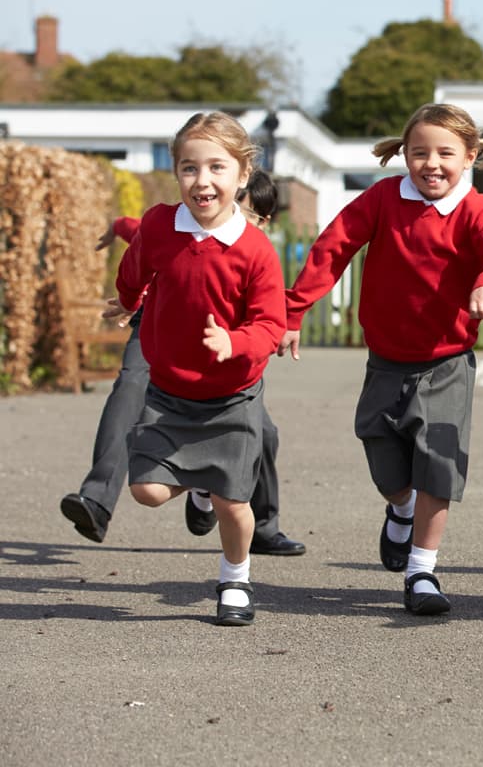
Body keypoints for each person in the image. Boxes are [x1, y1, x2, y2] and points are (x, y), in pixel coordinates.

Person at [277, 103, 483, 616]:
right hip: (387, 361)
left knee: (438, 465)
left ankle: (422, 572)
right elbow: (332, 248)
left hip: (447, 363)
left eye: (445, 153)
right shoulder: (384, 199)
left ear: (471, 157)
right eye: (419, 152)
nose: (431, 164)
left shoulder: (474, 210)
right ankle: (401, 510)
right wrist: (293, 310)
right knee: (388, 469)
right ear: (404, 155)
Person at [59, 170, 306, 557]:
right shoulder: (177, 225)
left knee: (265, 433)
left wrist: (269, 332)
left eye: (247, 213)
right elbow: (139, 232)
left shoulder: (253, 253)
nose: (230, 215)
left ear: (263, 220)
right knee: (129, 391)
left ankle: (258, 524)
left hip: (223, 346)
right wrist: (116, 229)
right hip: (162, 328)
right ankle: (97, 499)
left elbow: (270, 315)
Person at [107, 111, 286, 626]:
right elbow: (136, 265)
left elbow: (270, 323)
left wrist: (236, 341)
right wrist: (126, 299)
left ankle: (235, 580)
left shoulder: (254, 250)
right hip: (168, 392)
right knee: (146, 491)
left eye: (216, 168)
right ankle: (200, 486)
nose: (202, 181)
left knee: (234, 503)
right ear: (176, 172)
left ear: (242, 173)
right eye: (189, 168)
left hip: (232, 396)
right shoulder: (161, 224)